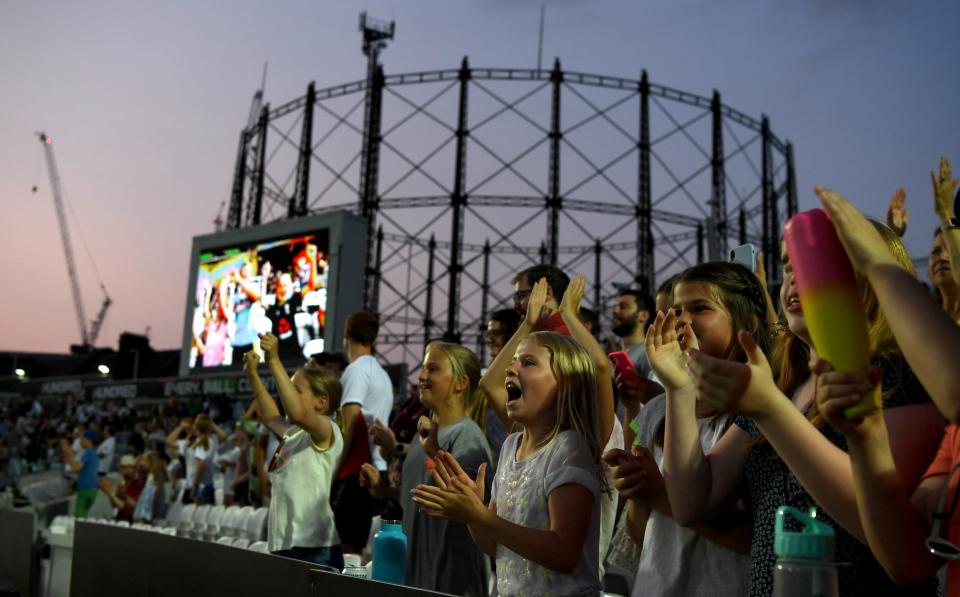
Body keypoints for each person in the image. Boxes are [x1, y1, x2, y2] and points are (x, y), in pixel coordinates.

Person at [662, 218, 943, 595]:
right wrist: (678, 388)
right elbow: (692, 502)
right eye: (786, 263)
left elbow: (885, 528)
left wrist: (770, 411)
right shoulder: (782, 380)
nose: (794, 274)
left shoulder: (898, 375)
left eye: (811, 260)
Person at [604, 262, 760, 596]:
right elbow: (639, 534)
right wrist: (636, 491)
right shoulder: (658, 410)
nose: (683, 320)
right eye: (676, 311)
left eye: (701, 308)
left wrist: (661, 495)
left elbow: (762, 539)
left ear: (746, 322)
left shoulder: (759, 413)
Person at [413, 331, 607, 596]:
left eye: (527, 363)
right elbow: (495, 545)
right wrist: (474, 514)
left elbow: (564, 553)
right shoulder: (510, 446)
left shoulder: (568, 449)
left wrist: (480, 515)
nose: (511, 368)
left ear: (566, 383)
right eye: (513, 361)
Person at [363, 342, 493, 596]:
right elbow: (421, 496)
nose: (422, 376)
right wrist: (383, 490)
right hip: (418, 576)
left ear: (460, 383)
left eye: (432, 369)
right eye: (423, 368)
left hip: (452, 580)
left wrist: (433, 451)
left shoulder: (467, 436)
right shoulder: (422, 437)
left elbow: (472, 503)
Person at [244, 332, 344, 568]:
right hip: (287, 545)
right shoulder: (295, 435)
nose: (287, 394)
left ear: (321, 402)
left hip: (314, 549)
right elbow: (270, 417)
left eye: (295, 390)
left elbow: (298, 413)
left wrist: (274, 361)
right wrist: (253, 375)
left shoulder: (326, 428)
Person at [331, 310, 394, 555]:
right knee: (361, 551)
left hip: (357, 472)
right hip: (376, 469)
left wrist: (333, 473)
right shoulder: (382, 374)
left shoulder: (356, 370)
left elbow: (348, 426)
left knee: (351, 552)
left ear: (346, 335)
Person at [511, 264, 571, 334]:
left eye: (521, 295)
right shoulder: (545, 331)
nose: (515, 305)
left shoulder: (560, 335)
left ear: (547, 292)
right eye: (515, 298)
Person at [611, 288, 655, 379]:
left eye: (623, 307)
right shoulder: (617, 356)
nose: (615, 311)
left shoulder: (648, 353)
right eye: (615, 307)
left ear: (643, 316)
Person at [61, 429, 100, 518]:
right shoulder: (92, 453)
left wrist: (69, 453)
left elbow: (75, 468)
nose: (80, 441)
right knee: (83, 516)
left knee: (79, 518)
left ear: (88, 441)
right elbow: (77, 468)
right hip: (91, 489)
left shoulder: (88, 453)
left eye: (82, 439)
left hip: (85, 489)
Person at [98, 454, 145, 522]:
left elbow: (126, 508)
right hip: (121, 517)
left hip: (130, 519)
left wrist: (110, 493)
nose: (123, 470)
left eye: (126, 467)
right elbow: (114, 504)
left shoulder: (136, 484)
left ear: (133, 469)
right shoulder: (122, 484)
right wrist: (110, 493)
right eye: (122, 467)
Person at [132, 451, 169, 523]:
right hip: (141, 517)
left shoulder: (154, 478)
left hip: (145, 518)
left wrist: (144, 519)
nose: (140, 463)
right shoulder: (149, 477)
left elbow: (149, 501)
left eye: (144, 460)